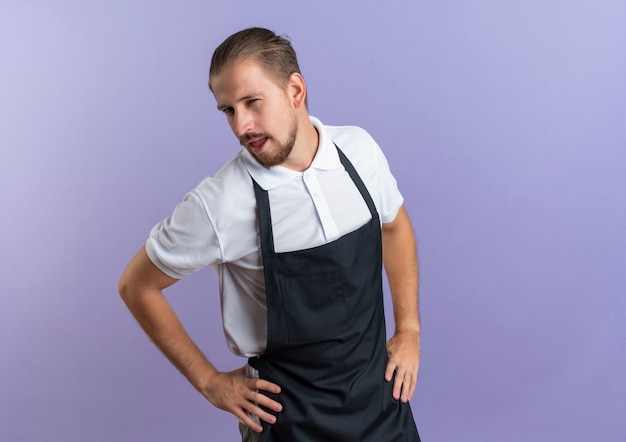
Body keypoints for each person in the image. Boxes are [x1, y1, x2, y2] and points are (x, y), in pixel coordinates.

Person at [118, 27, 421, 442]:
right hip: (287, 420)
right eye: (228, 110)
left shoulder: (358, 152)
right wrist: (209, 382)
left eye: (252, 103)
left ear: (294, 89)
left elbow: (395, 226)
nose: (242, 126)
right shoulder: (221, 202)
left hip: (380, 406)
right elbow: (137, 286)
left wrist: (409, 331)